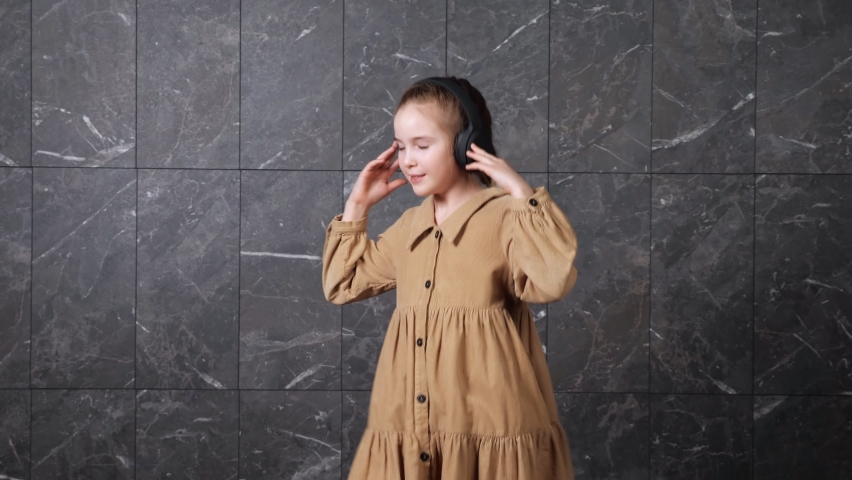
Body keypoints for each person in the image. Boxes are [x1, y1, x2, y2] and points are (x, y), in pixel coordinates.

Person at [322, 76, 579, 480]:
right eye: (402, 146)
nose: (407, 160)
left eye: (422, 146)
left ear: (465, 145)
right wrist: (357, 205)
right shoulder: (410, 227)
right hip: (408, 426)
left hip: (489, 428)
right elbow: (342, 283)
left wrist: (520, 192)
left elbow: (552, 280)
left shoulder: (507, 218)